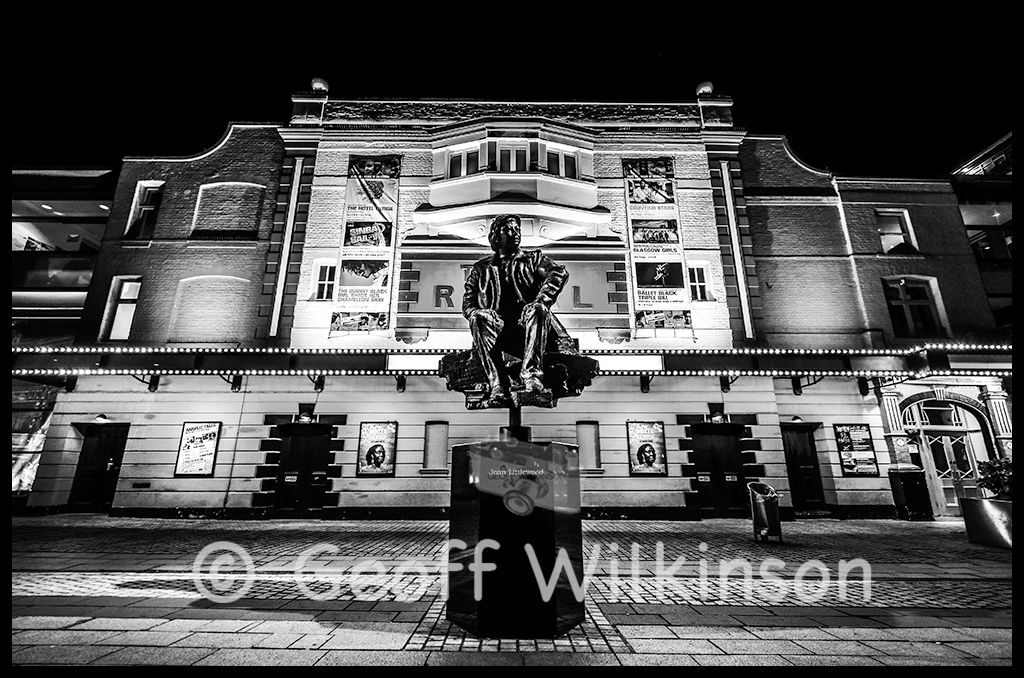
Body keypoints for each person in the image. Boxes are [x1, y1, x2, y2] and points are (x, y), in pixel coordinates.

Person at [463, 214, 572, 405]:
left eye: (517, 230)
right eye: (509, 229)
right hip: (498, 330)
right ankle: (497, 384)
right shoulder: (481, 269)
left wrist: (540, 300)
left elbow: (557, 273)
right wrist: (478, 312)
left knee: (539, 310)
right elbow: (468, 304)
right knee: (477, 318)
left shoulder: (533, 259)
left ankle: (531, 377)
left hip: (528, 326)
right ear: (496, 236)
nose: (515, 233)